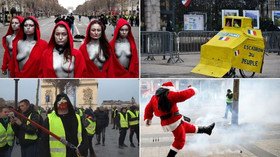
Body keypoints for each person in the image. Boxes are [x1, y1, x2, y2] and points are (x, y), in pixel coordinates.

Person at [144, 82, 215, 157]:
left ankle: (207, 129)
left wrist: (148, 118)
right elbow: (182, 95)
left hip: (172, 120)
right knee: (180, 140)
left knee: (188, 127)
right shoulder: (169, 94)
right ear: (170, 89)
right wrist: (192, 89)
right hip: (173, 121)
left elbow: (148, 108)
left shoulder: (154, 97)